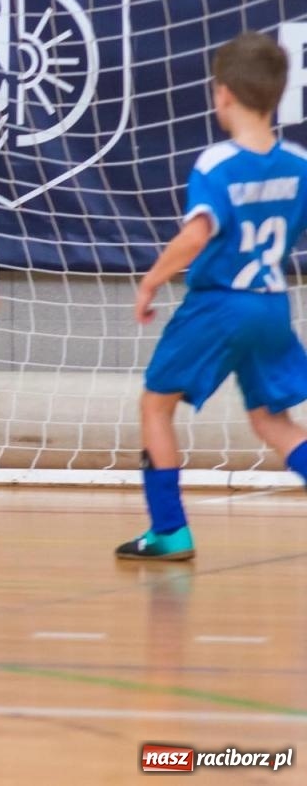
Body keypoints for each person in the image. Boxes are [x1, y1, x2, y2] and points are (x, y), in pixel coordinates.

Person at [118, 31, 307, 562]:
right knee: (272, 420)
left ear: (221, 93)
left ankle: (169, 531)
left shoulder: (215, 164)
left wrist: (153, 279)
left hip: (220, 304)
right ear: (276, 95)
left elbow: (197, 235)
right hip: (271, 303)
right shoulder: (298, 164)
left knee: (156, 406)